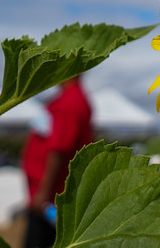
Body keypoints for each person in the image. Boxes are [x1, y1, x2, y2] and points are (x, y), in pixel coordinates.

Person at [20, 76, 93, 248]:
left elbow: (59, 149)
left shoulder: (71, 101)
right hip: (50, 195)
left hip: (51, 200)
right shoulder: (69, 98)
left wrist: (42, 193)